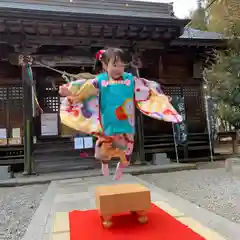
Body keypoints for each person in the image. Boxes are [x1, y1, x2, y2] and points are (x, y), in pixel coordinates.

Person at [59, 48, 182, 180]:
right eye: (115, 65)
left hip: (126, 123)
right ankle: (105, 164)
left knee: (127, 151)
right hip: (107, 123)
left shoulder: (130, 80)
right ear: (105, 65)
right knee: (103, 151)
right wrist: (69, 91)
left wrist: (160, 97)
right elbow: (83, 88)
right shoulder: (100, 80)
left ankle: (122, 166)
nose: (119, 68)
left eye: (122, 65)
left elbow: (147, 88)